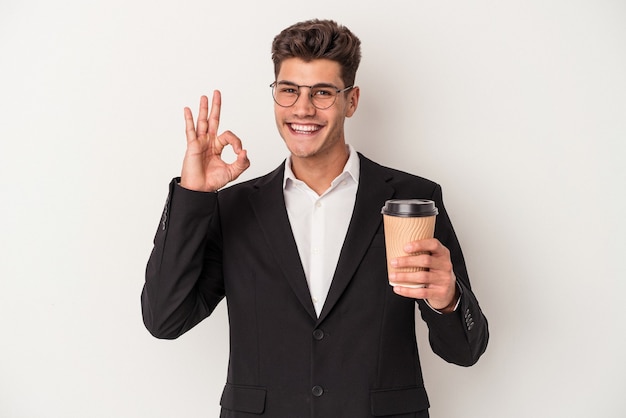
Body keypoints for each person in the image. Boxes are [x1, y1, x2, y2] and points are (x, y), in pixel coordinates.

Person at [142, 19, 488, 418]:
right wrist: (193, 196)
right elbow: (164, 319)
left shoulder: (414, 199)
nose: (302, 109)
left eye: (322, 93)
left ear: (351, 100)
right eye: (288, 91)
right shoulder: (234, 207)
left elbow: (465, 351)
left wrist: (447, 300)